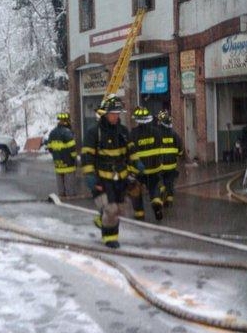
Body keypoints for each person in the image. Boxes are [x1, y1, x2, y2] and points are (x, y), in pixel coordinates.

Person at [81, 95, 130, 249]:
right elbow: (87, 156)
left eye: (118, 114)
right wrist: (90, 176)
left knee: (120, 209)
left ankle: (103, 221)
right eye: (113, 114)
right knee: (111, 209)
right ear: (105, 114)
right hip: (101, 180)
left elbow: (130, 153)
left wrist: (136, 167)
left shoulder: (122, 131)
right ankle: (109, 238)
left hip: (120, 179)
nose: (116, 117)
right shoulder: (94, 132)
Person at [127, 107, 162, 220]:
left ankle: (139, 213)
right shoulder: (156, 132)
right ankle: (156, 202)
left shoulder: (133, 134)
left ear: (137, 120)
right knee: (154, 187)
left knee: (135, 190)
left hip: (139, 171)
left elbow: (130, 151)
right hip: (154, 168)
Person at [157, 110, 184, 208]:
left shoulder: (156, 133)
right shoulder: (174, 134)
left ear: (160, 121)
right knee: (170, 183)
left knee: (159, 181)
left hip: (160, 165)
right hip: (172, 165)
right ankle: (169, 201)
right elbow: (180, 150)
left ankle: (162, 191)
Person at [47, 112, 77, 198]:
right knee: (69, 180)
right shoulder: (67, 132)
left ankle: (62, 196)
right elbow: (72, 148)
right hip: (68, 162)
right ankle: (70, 196)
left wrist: (57, 154)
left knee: (60, 180)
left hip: (58, 162)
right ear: (66, 121)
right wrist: (74, 158)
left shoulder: (52, 132)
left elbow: (49, 147)